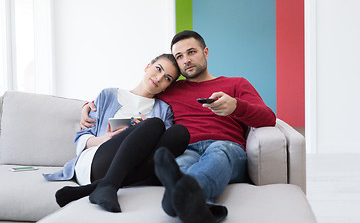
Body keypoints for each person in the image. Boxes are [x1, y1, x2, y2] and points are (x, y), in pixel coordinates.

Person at [81, 31, 276, 223]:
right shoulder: (170, 88)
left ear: (205, 52)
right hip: (185, 148)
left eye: (192, 52)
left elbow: (268, 118)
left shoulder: (236, 84)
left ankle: (183, 197)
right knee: (178, 166)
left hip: (226, 146)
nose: (186, 60)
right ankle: (191, 203)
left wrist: (236, 106)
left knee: (219, 152)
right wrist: (89, 106)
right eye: (179, 56)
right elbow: (136, 97)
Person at [43, 53, 190, 213]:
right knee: (154, 124)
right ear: (148, 67)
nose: (160, 77)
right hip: (97, 160)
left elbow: (163, 151)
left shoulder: (164, 109)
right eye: (158, 69)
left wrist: (145, 133)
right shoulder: (108, 95)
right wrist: (103, 139)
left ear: (167, 86)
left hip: (134, 168)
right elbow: (81, 139)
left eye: (167, 78)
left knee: (180, 133)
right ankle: (107, 184)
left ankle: (101, 187)